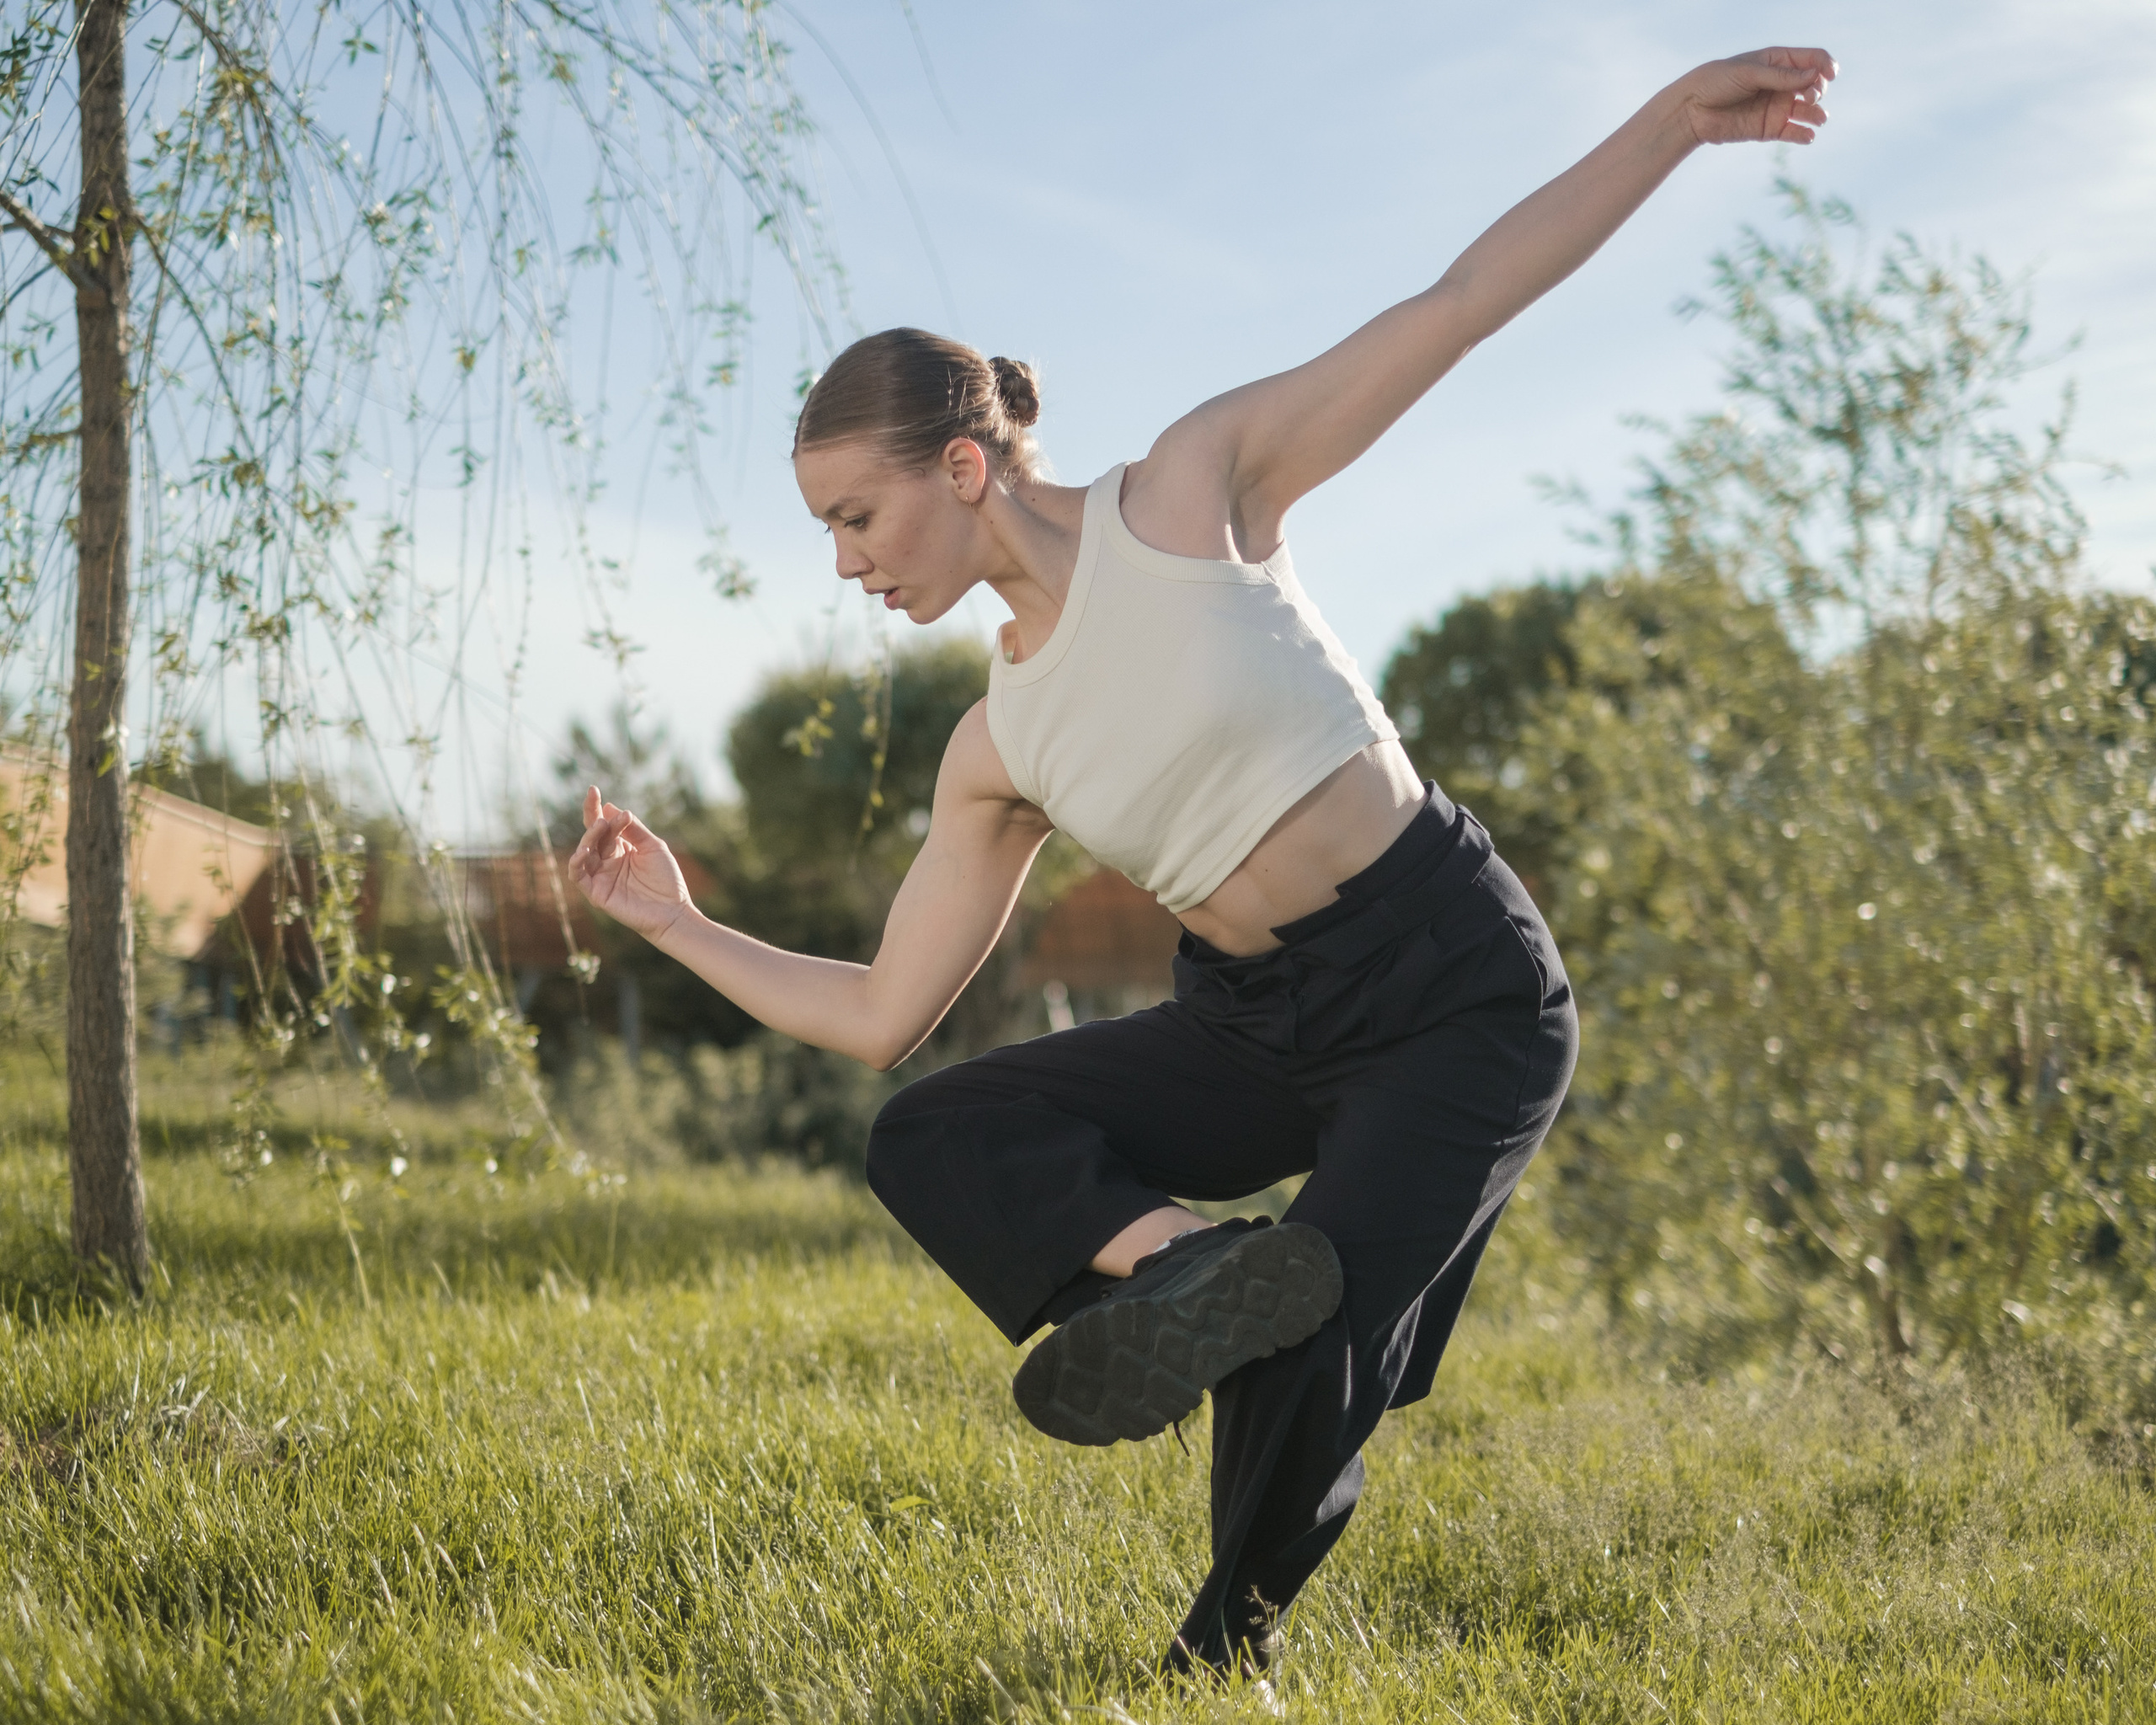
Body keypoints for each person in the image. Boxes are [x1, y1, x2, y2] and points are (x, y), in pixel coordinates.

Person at [569, 45, 1835, 1678]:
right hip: (1249, 1021)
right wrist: (673, 921)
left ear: (959, 469)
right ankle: (1193, 1266)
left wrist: (1668, 124)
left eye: (855, 518)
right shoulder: (991, 747)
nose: (843, 564)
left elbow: (1453, 306)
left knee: (1307, 1357)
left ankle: (1211, 1658)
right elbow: (885, 1009)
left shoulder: (1188, 493)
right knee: (934, 1130)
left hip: (1447, 988)